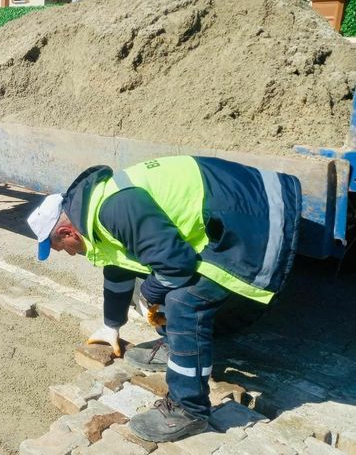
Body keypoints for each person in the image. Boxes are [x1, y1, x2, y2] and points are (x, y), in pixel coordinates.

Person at [26, 156, 301, 442]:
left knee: (184, 302)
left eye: (61, 247)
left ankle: (189, 410)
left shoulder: (114, 209)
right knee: (157, 278)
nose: (69, 254)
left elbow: (177, 265)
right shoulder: (95, 210)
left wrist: (149, 293)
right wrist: (111, 325)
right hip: (243, 212)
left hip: (259, 223)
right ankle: (177, 346)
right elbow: (118, 268)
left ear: (67, 232)